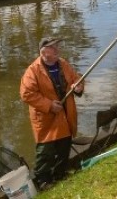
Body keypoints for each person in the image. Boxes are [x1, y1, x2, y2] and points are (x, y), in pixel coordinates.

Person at [20, 37, 85, 189]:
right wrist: (49, 105)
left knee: (64, 147)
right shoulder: (33, 71)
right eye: (53, 48)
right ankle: (43, 181)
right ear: (44, 52)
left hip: (66, 114)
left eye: (57, 47)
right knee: (45, 151)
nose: (58, 50)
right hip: (46, 119)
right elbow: (26, 94)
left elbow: (76, 78)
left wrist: (79, 86)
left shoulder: (63, 64)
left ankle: (60, 176)